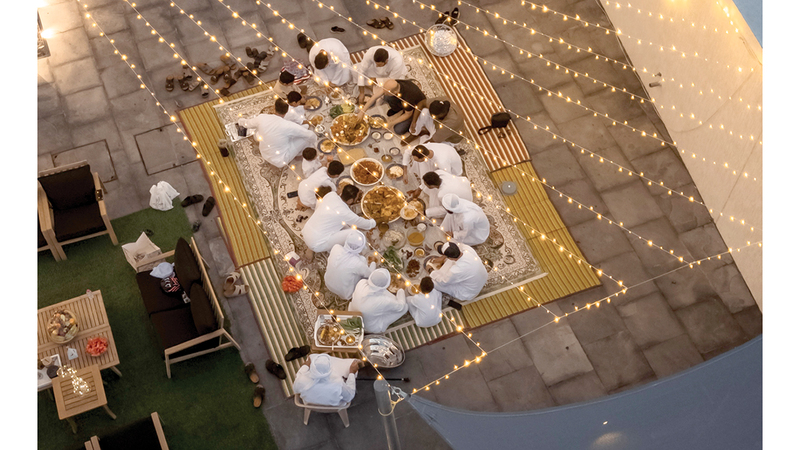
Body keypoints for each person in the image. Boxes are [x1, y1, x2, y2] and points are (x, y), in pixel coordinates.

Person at [237, 99, 317, 168]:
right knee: (305, 136)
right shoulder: (288, 125)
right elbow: (310, 135)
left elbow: (247, 123)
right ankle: (301, 152)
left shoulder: (262, 117)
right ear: (287, 111)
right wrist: (315, 141)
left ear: (274, 108)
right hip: (281, 160)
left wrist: (240, 121)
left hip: (264, 153)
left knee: (260, 132)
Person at [301, 185, 376, 253]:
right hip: (316, 244)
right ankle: (316, 249)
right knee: (354, 232)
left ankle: (313, 242)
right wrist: (375, 221)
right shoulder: (345, 213)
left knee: (321, 203)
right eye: (356, 199)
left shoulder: (331, 195)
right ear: (350, 200)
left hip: (306, 231)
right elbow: (367, 224)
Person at [355, 79, 426, 135]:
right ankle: (398, 109)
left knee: (398, 130)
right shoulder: (395, 84)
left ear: (394, 92)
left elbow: (408, 114)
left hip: (416, 109)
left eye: (386, 91)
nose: (383, 92)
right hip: (403, 102)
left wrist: (390, 124)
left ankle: (409, 120)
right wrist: (362, 112)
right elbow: (375, 97)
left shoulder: (408, 98)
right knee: (387, 97)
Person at [349, 268, 409, 334]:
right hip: (369, 327)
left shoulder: (361, 282)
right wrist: (401, 290)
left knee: (382, 307)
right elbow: (401, 306)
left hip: (352, 316)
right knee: (405, 308)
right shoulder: (383, 301)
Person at [292, 353, 362, 406]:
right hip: (334, 406)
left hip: (309, 404)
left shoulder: (301, 380)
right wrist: (351, 374)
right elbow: (349, 396)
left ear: (312, 367)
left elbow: (296, 389)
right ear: (329, 369)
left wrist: (305, 366)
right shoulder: (338, 384)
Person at [325, 230, 376, 300]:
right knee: (363, 263)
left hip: (328, 283)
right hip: (346, 294)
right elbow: (369, 274)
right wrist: (373, 263)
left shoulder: (336, 247)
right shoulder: (358, 263)